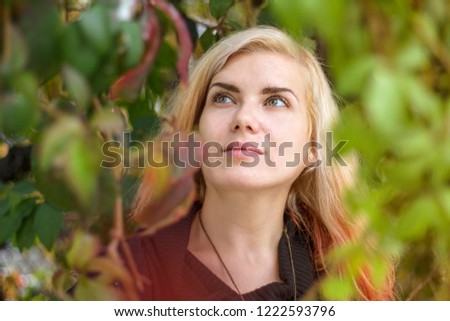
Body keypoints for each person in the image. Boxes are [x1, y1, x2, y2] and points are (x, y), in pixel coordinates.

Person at [126, 26, 395, 300]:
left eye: (276, 101)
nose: (244, 118)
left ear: (314, 147)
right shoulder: (120, 277)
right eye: (223, 98)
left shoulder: (349, 288)